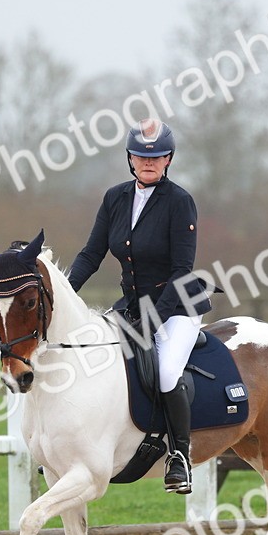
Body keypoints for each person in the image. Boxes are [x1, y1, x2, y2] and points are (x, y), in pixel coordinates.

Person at [67, 119, 211, 494]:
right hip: (131, 305)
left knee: (165, 371)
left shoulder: (179, 202)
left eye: (157, 156)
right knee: (97, 360)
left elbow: (182, 270)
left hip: (177, 307)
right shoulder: (115, 198)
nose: (149, 162)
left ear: (169, 159)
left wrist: (153, 320)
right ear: (130, 158)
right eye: (142, 156)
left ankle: (179, 456)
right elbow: (91, 254)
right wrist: (63, 295)